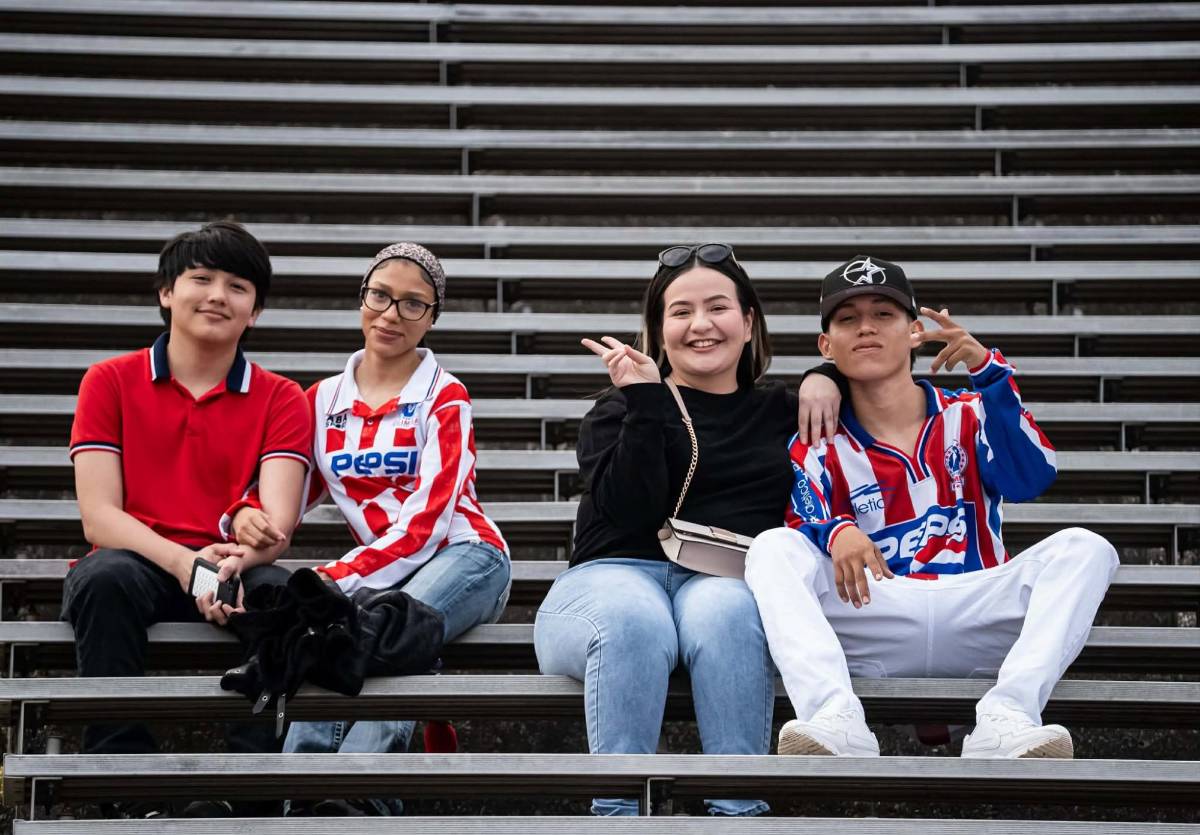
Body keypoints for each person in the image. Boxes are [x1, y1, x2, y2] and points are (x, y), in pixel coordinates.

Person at [745, 255, 1119, 760]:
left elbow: (1032, 476)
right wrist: (837, 531)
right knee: (771, 548)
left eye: (884, 314)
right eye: (848, 319)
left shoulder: (971, 412)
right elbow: (801, 515)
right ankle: (834, 717)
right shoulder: (818, 439)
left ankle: (1008, 717)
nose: (867, 329)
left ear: (915, 331)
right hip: (877, 610)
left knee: (1086, 547)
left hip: (975, 609)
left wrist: (989, 374)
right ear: (826, 346)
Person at [534, 243, 844, 817]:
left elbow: (878, 390)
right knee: (635, 622)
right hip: (612, 578)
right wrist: (647, 401)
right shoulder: (617, 409)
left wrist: (826, 374)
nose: (701, 325)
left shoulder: (785, 410)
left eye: (718, 307)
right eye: (680, 312)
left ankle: (738, 815)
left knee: (729, 613)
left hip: (720, 577)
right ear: (658, 329)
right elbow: (627, 513)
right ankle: (621, 818)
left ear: (749, 322)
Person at [227, 242, 511, 817]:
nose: (391, 315)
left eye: (413, 304)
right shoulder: (321, 399)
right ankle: (307, 800)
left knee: (387, 635)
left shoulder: (446, 396)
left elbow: (428, 524)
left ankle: (360, 799)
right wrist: (242, 517)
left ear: (432, 317)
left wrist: (334, 577)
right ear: (362, 299)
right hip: (381, 577)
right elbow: (284, 496)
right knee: (350, 633)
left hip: (467, 555)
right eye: (380, 296)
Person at [64, 221, 313, 818]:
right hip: (142, 566)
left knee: (284, 594)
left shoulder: (282, 397)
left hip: (229, 567)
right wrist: (187, 566)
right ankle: (121, 784)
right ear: (166, 293)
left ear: (255, 311)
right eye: (200, 279)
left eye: (238, 286)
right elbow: (100, 517)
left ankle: (250, 785)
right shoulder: (109, 380)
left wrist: (232, 561)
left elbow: (276, 525)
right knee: (103, 579)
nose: (217, 296)